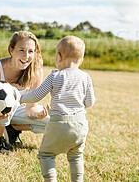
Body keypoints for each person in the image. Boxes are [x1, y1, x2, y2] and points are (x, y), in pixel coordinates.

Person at [20, 35, 95, 182]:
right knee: (76, 156)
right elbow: (90, 102)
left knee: (46, 154)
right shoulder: (86, 77)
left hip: (58, 124)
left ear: (58, 56)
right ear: (81, 60)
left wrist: (21, 98)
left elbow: (37, 95)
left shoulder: (55, 76)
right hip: (80, 125)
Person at [0, 31, 50, 154]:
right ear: (11, 50)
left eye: (31, 51)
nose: (26, 56)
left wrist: (38, 115)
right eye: (21, 50)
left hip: (19, 110)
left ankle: (13, 128)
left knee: (54, 121)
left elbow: (30, 108)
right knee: (10, 93)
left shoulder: (36, 71)